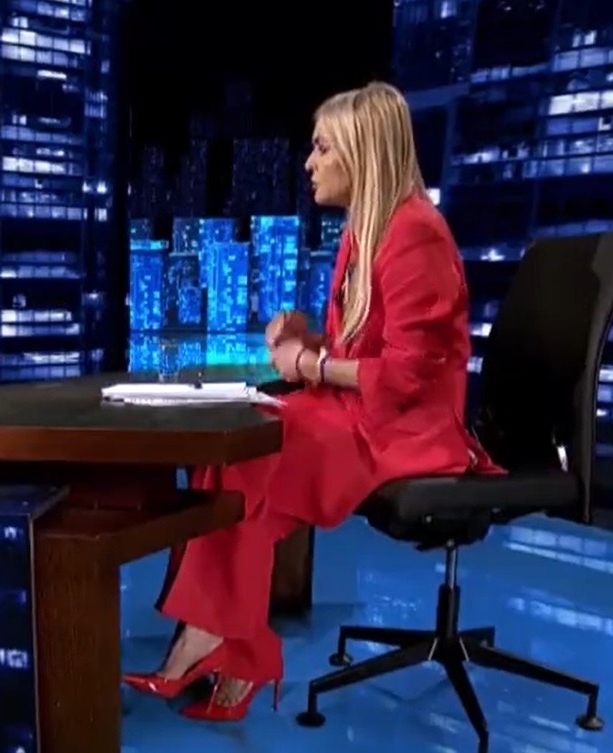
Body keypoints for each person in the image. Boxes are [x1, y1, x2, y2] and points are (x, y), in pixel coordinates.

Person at [122, 82, 503, 722]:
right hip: (364, 412)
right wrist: (309, 338)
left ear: (362, 152)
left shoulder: (416, 234)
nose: (309, 163)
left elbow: (407, 375)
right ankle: (222, 643)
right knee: (236, 439)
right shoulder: (365, 233)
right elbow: (365, 345)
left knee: (256, 451)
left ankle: (215, 644)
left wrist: (310, 365)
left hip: (406, 430)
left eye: (323, 148)